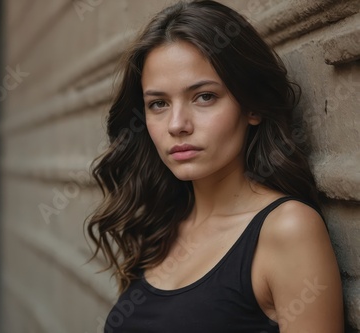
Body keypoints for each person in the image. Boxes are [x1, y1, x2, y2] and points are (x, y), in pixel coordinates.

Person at [85, 1, 344, 332]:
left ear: (252, 106)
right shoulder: (162, 222)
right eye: (159, 104)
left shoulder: (287, 229)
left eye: (204, 97)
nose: (177, 124)